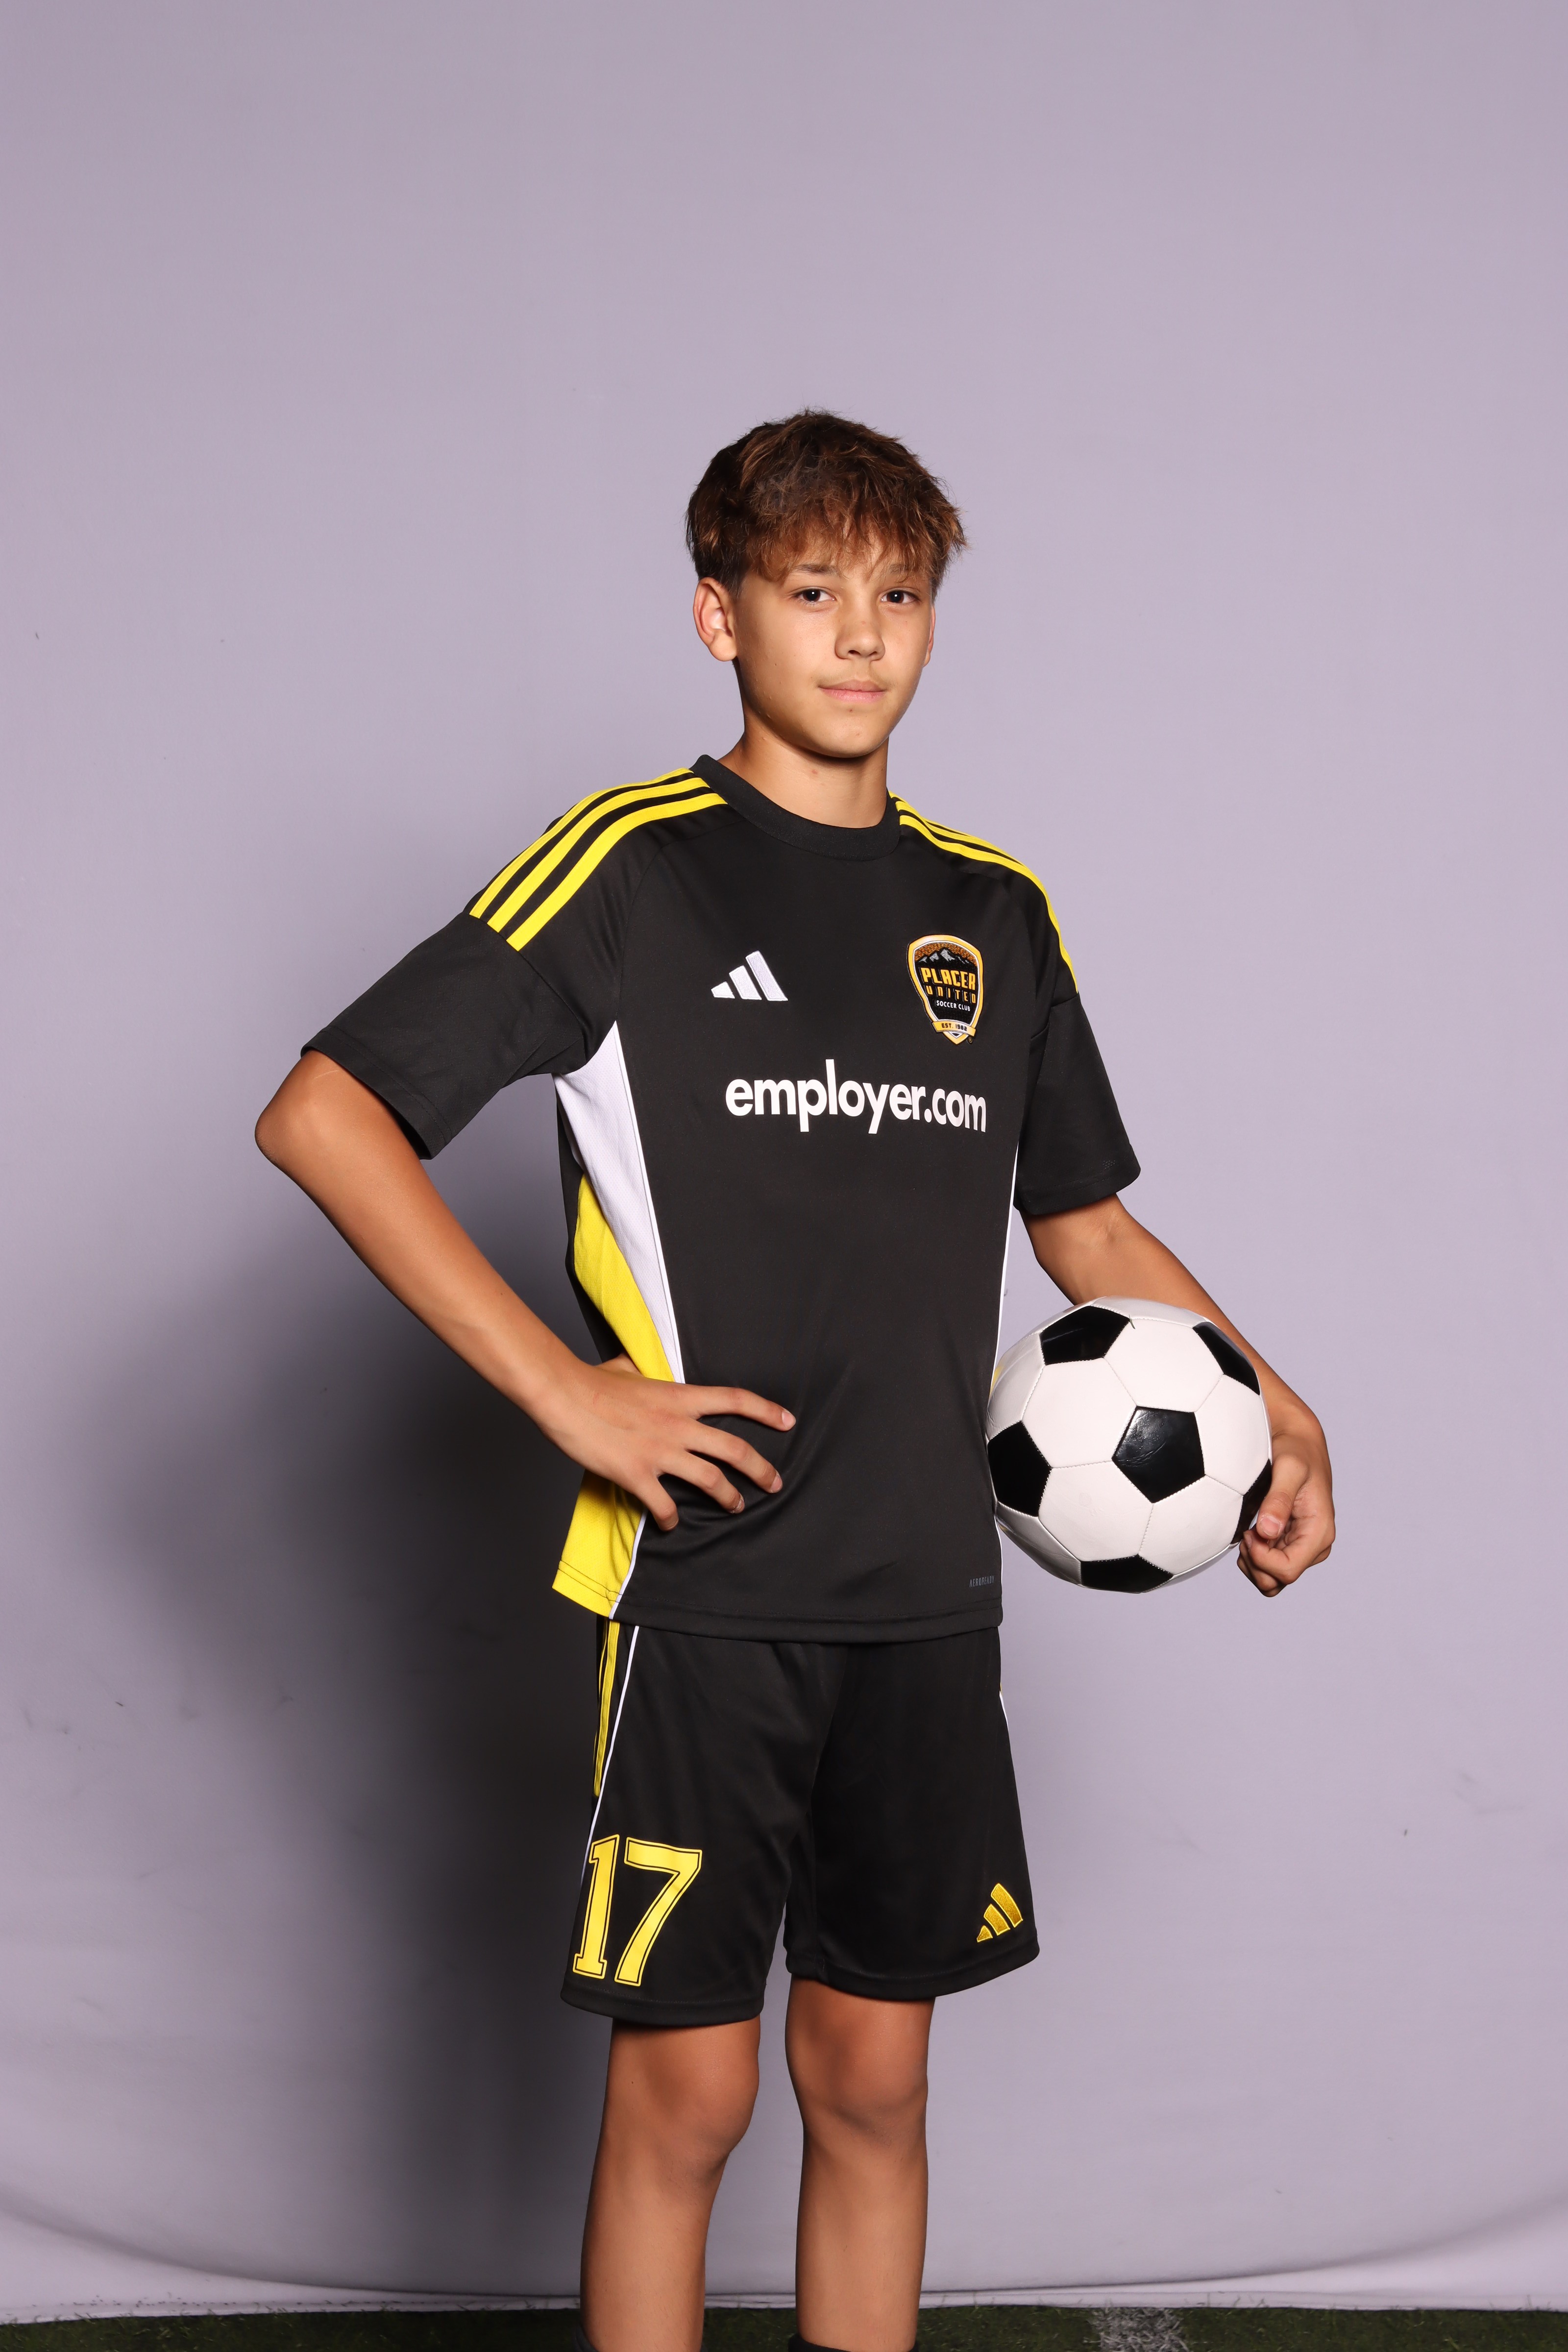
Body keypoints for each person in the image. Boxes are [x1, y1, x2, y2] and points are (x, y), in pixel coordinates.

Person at [256, 412, 1335, 2352]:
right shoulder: (630, 871)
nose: (859, 634)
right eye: (811, 589)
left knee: (873, 2085)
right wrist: (567, 1395)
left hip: (925, 1598)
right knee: (689, 2101)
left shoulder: (993, 913)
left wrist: (1277, 1403)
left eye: (899, 594)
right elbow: (325, 1114)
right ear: (719, 615)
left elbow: (1084, 1228)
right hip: (704, 1596)